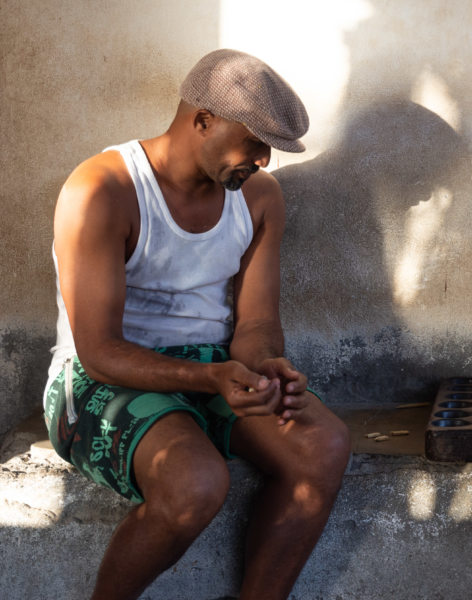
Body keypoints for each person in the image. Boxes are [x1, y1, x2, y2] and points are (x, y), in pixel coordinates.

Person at [42, 49, 351, 600]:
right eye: (254, 143)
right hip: (99, 381)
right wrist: (214, 380)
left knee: (322, 444)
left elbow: (255, 322)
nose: (263, 161)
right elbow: (99, 352)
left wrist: (266, 367)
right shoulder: (104, 190)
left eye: (270, 150)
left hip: (212, 369)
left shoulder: (259, 199)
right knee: (196, 482)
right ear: (201, 119)